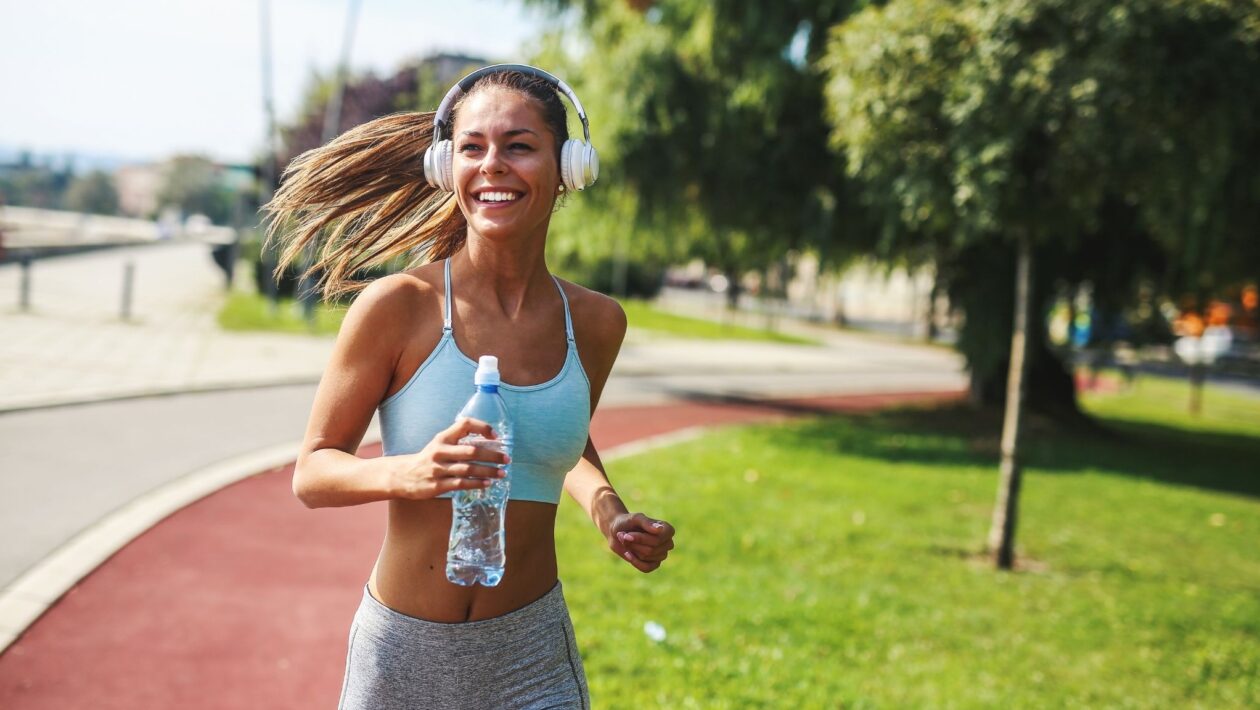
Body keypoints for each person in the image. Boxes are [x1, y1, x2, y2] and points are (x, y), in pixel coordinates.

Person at [265, 65, 676, 709]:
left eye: (519, 145)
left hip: (531, 657)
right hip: (402, 656)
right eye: (472, 147)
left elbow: (563, 440)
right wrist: (412, 473)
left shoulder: (596, 323)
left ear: (569, 166)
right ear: (444, 166)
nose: (493, 166)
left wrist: (610, 512)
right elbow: (312, 473)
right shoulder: (397, 306)